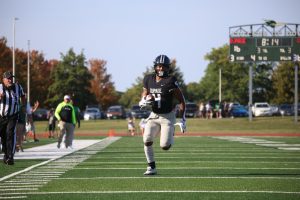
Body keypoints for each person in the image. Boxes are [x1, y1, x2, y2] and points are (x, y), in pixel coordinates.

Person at [138, 55, 186, 175]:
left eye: (164, 66)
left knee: (165, 146)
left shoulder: (170, 80)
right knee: (147, 139)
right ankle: (151, 167)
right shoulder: (148, 79)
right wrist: (143, 100)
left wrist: (183, 119)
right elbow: (144, 93)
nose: (161, 68)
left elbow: (181, 100)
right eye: (159, 66)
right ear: (155, 67)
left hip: (167, 117)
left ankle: (171, 131)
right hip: (154, 116)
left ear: (168, 68)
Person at [0, 71, 26, 165]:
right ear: (4, 80)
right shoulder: (0, 87)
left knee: (10, 134)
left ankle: (10, 157)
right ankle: (6, 154)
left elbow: (23, 96)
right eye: (8, 78)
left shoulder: (18, 87)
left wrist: (23, 105)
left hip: (13, 115)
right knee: (3, 136)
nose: (10, 80)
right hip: (1, 116)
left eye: (11, 78)